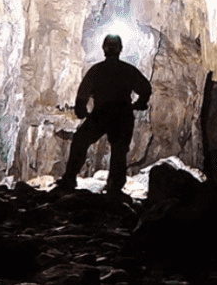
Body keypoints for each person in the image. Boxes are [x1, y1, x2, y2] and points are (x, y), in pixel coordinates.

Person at [58, 34, 152, 196]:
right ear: (120, 50)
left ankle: (70, 177)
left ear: (104, 49)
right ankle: (114, 185)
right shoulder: (127, 70)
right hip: (122, 114)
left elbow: (83, 92)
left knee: (81, 140)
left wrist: (81, 109)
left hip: (101, 113)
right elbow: (145, 88)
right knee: (119, 150)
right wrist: (140, 103)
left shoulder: (97, 70)